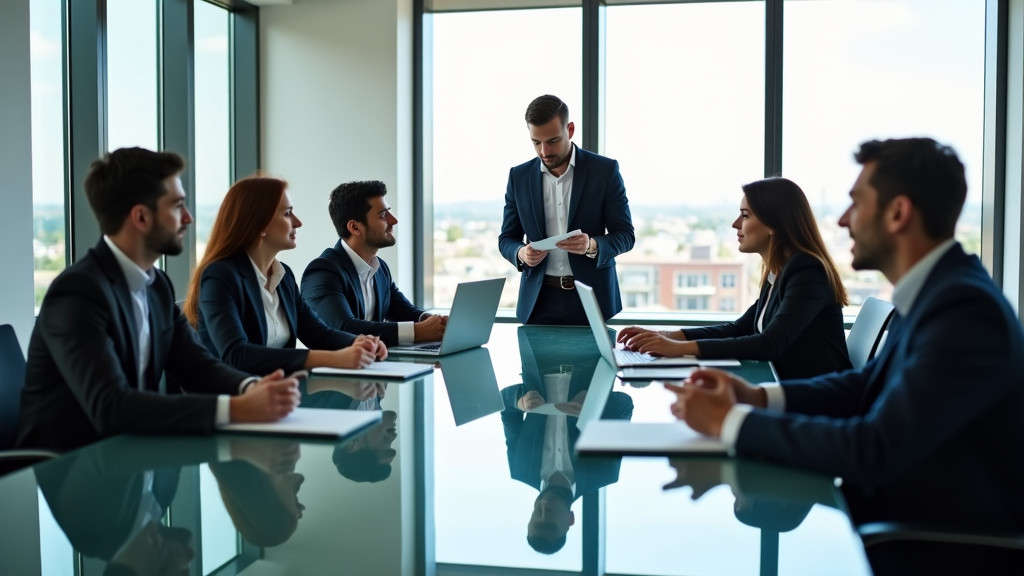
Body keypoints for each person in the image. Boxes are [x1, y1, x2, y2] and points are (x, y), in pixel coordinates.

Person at [667, 138, 1024, 572]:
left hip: (931, 544)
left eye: (855, 203)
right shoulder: (942, 292)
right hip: (894, 516)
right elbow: (866, 384)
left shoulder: (963, 310)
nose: (841, 219)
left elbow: (873, 449)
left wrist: (730, 422)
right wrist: (757, 399)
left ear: (897, 213)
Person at [16, 148, 300, 453]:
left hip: (135, 460)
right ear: (141, 216)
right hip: (66, 475)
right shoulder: (78, 293)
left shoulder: (157, 285)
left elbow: (197, 366)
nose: (188, 217)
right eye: (177, 206)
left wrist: (252, 387)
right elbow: (111, 406)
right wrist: (237, 409)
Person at [618, 177, 851, 379]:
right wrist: (667, 336)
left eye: (745, 215)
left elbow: (769, 344)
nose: (735, 224)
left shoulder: (807, 271)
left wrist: (678, 348)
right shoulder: (778, 269)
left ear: (773, 225)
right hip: (788, 386)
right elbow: (740, 328)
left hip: (814, 402)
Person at [184, 176, 387, 375]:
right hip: (235, 400)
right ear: (260, 224)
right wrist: (332, 358)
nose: (297, 223)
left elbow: (317, 333)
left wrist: (359, 342)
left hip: (278, 395)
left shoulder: (284, 276)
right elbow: (236, 354)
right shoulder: (220, 276)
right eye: (288, 214)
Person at [498, 94, 635, 325]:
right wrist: (521, 253)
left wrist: (591, 246)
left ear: (570, 130)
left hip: (592, 299)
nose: (544, 151)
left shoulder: (605, 171)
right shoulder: (518, 177)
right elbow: (506, 239)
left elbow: (626, 236)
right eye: (536, 142)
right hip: (538, 301)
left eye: (552, 141)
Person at [500, 326, 633, 554]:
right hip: (591, 352)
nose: (543, 511)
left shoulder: (519, 468)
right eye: (550, 523)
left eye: (536, 518)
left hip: (539, 344)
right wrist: (592, 402)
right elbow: (624, 406)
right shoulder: (604, 473)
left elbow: (506, 408)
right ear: (570, 520)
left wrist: (519, 401)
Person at [301, 180, 446, 347]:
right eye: (383, 215)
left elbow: (404, 311)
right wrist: (418, 331)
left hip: (374, 365)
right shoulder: (322, 271)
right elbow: (343, 328)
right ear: (355, 227)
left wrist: (435, 322)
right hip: (337, 371)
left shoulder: (380, 268)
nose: (394, 220)